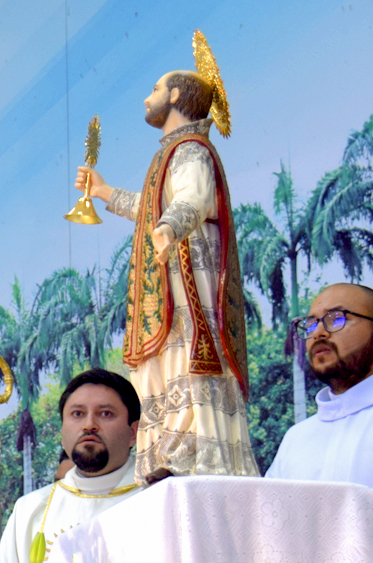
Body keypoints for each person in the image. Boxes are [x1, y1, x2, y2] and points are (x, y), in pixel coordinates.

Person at [76, 66, 258, 486]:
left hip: (190, 279)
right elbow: (155, 205)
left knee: (189, 356)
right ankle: (170, 452)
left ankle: (196, 452)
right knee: (165, 361)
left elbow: (193, 198)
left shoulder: (193, 148)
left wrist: (169, 227)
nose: (147, 97)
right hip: (168, 278)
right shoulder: (170, 152)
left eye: (155, 88)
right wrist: (104, 194)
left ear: (176, 94)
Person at [266, 283, 373, 563]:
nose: (318, 332)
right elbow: (269, 537)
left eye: (336, 319)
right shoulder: (298, 439)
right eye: (309, 324)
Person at [0, 369, 142, 563]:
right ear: (62, 432)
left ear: (133, 432)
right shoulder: (30, 511)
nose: (89, 425)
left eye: (105, 413)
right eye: (77, 414)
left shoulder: (157, 498)